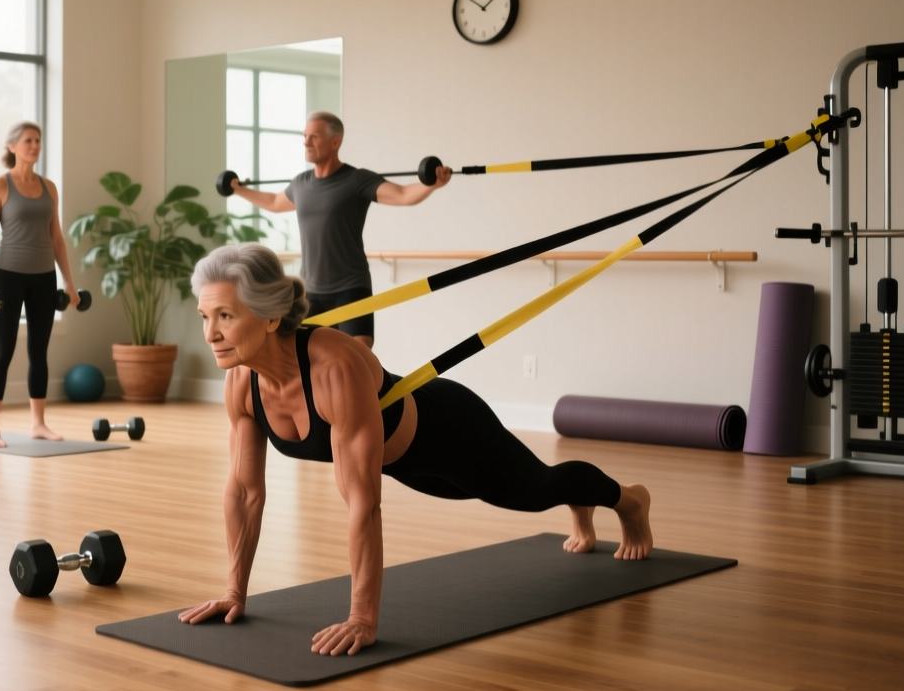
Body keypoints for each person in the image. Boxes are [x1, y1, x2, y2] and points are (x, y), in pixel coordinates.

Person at [179, 243, 653, 656]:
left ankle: (628, 500)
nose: (210, 334)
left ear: (269, 318)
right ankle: (580, 500)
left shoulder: (333, 367)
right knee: (512, 489)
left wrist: (362, 617)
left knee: (534, 490)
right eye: (205, 316)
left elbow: (362, 503)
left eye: (226, 316)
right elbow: (244, 492)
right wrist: (233, 591)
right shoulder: (241, 382)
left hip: (452, 430)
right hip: (408, 466)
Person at [227, 111, 451, 348]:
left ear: (335, 142)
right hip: (310, 291)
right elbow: (273, 202)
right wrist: (238, 190)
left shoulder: (357, 180)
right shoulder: (300, 184)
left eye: (314, 137)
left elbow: (403, 195)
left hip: (351, 287)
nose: (306, 142)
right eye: (304, 136)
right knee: (309, 356)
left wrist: (433, 185)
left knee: (359, 352)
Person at [0, 121, 77, 448]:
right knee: (3, 350)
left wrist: (69, 283)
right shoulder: (0, 185)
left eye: (38, 141)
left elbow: (56, 236)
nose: (35, 145)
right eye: (29, 140)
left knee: (39, 352)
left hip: (43, 276)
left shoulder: (49, 187)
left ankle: (38, 423)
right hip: (8, 274)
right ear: (13, 146)